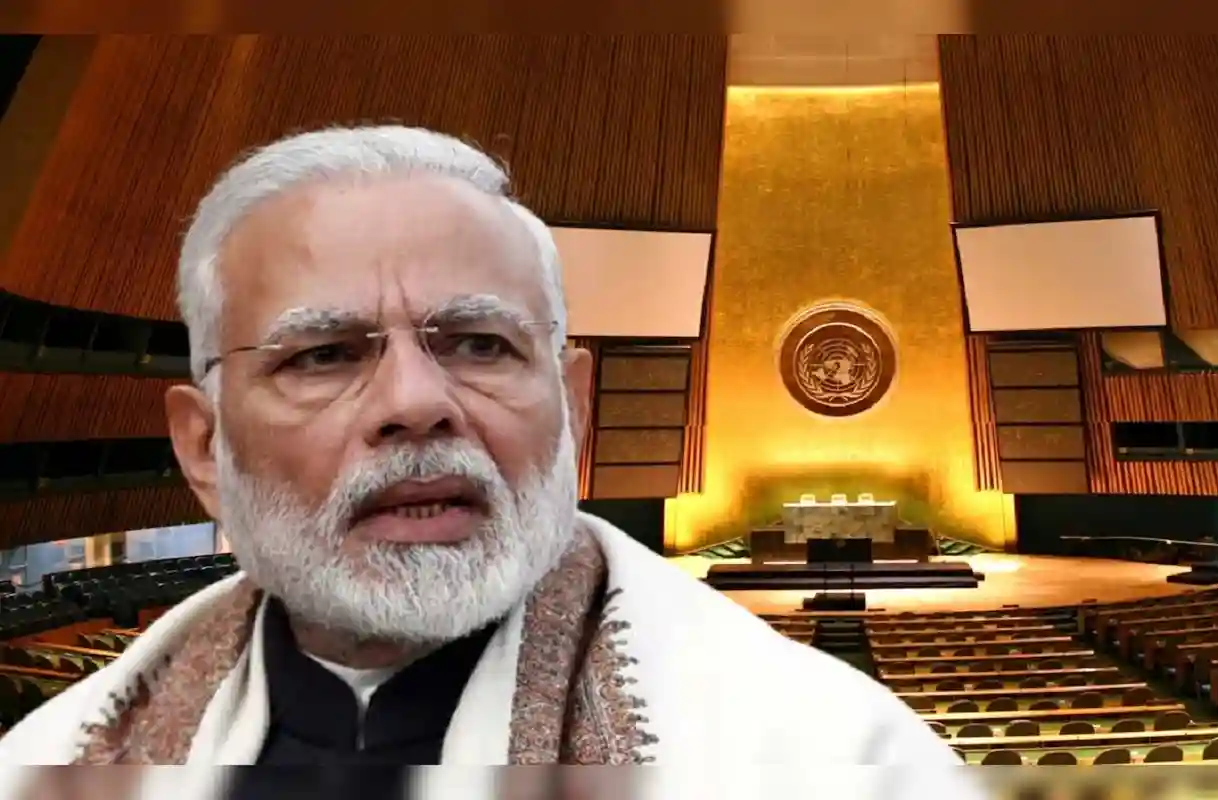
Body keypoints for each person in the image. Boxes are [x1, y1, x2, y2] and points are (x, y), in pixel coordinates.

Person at [0, 125, 974, 788]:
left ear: (573, 406)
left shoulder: (833, 763)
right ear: (205, 447)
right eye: (324, 354)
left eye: (478, 343)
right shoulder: (46, 764)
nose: (416, 404)